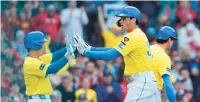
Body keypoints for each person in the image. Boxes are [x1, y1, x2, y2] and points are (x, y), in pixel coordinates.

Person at [73, 6, 158, 101]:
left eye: (124, 18)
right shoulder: (136, 34)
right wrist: (90, 48)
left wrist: (85, 52)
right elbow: (112, 49)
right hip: (144, 80)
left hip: (142, 81)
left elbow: (110, 55)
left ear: (133, 20)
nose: (120, 21)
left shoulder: (134, 36)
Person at [23, 31, 74, 102]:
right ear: (36, 45)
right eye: (42, 43)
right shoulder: (30, 62)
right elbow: (52, 69)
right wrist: (67, 57)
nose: (44, 46)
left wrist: (70, 48)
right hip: (37, 99)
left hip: (43, 99)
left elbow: (54, 56)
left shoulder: (38, 57)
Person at [150, 26, 177, 102]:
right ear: (169, 40)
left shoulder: (148, 48)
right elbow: (168, 85)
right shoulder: (164, 57)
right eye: (173, 40)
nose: (173, 42)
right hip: (151, 94)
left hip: (137, 89)